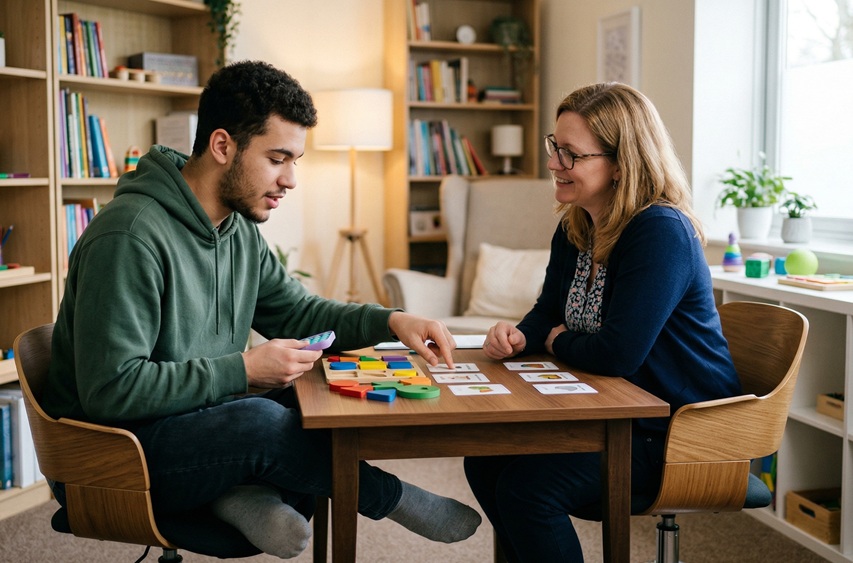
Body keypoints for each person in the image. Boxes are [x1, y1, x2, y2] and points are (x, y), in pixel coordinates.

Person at [43, 60, 480, 559]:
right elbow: (111, 392)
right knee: (264, 423)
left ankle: (241, 495)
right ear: (223, 145)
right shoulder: (129, 237)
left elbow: (296, 312)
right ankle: (391, 497)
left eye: (294, 160)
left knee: (313, 398)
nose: (290, 179)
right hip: (117, 455)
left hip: (195, 427)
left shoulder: (237, 229)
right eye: (278, 158)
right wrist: (243, 369)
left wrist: (392, 320)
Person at [463, 82, 741, 562]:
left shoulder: (660, 231)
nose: (553, 164)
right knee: (486, 461)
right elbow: (548, 311)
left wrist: (553, 339)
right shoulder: (577, 222)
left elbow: (617, 353)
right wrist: (522, 335)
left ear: (621, 162)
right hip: (617, 415)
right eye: (555, 147)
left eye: (570, 154)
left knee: (529, 491)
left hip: (679, 430)